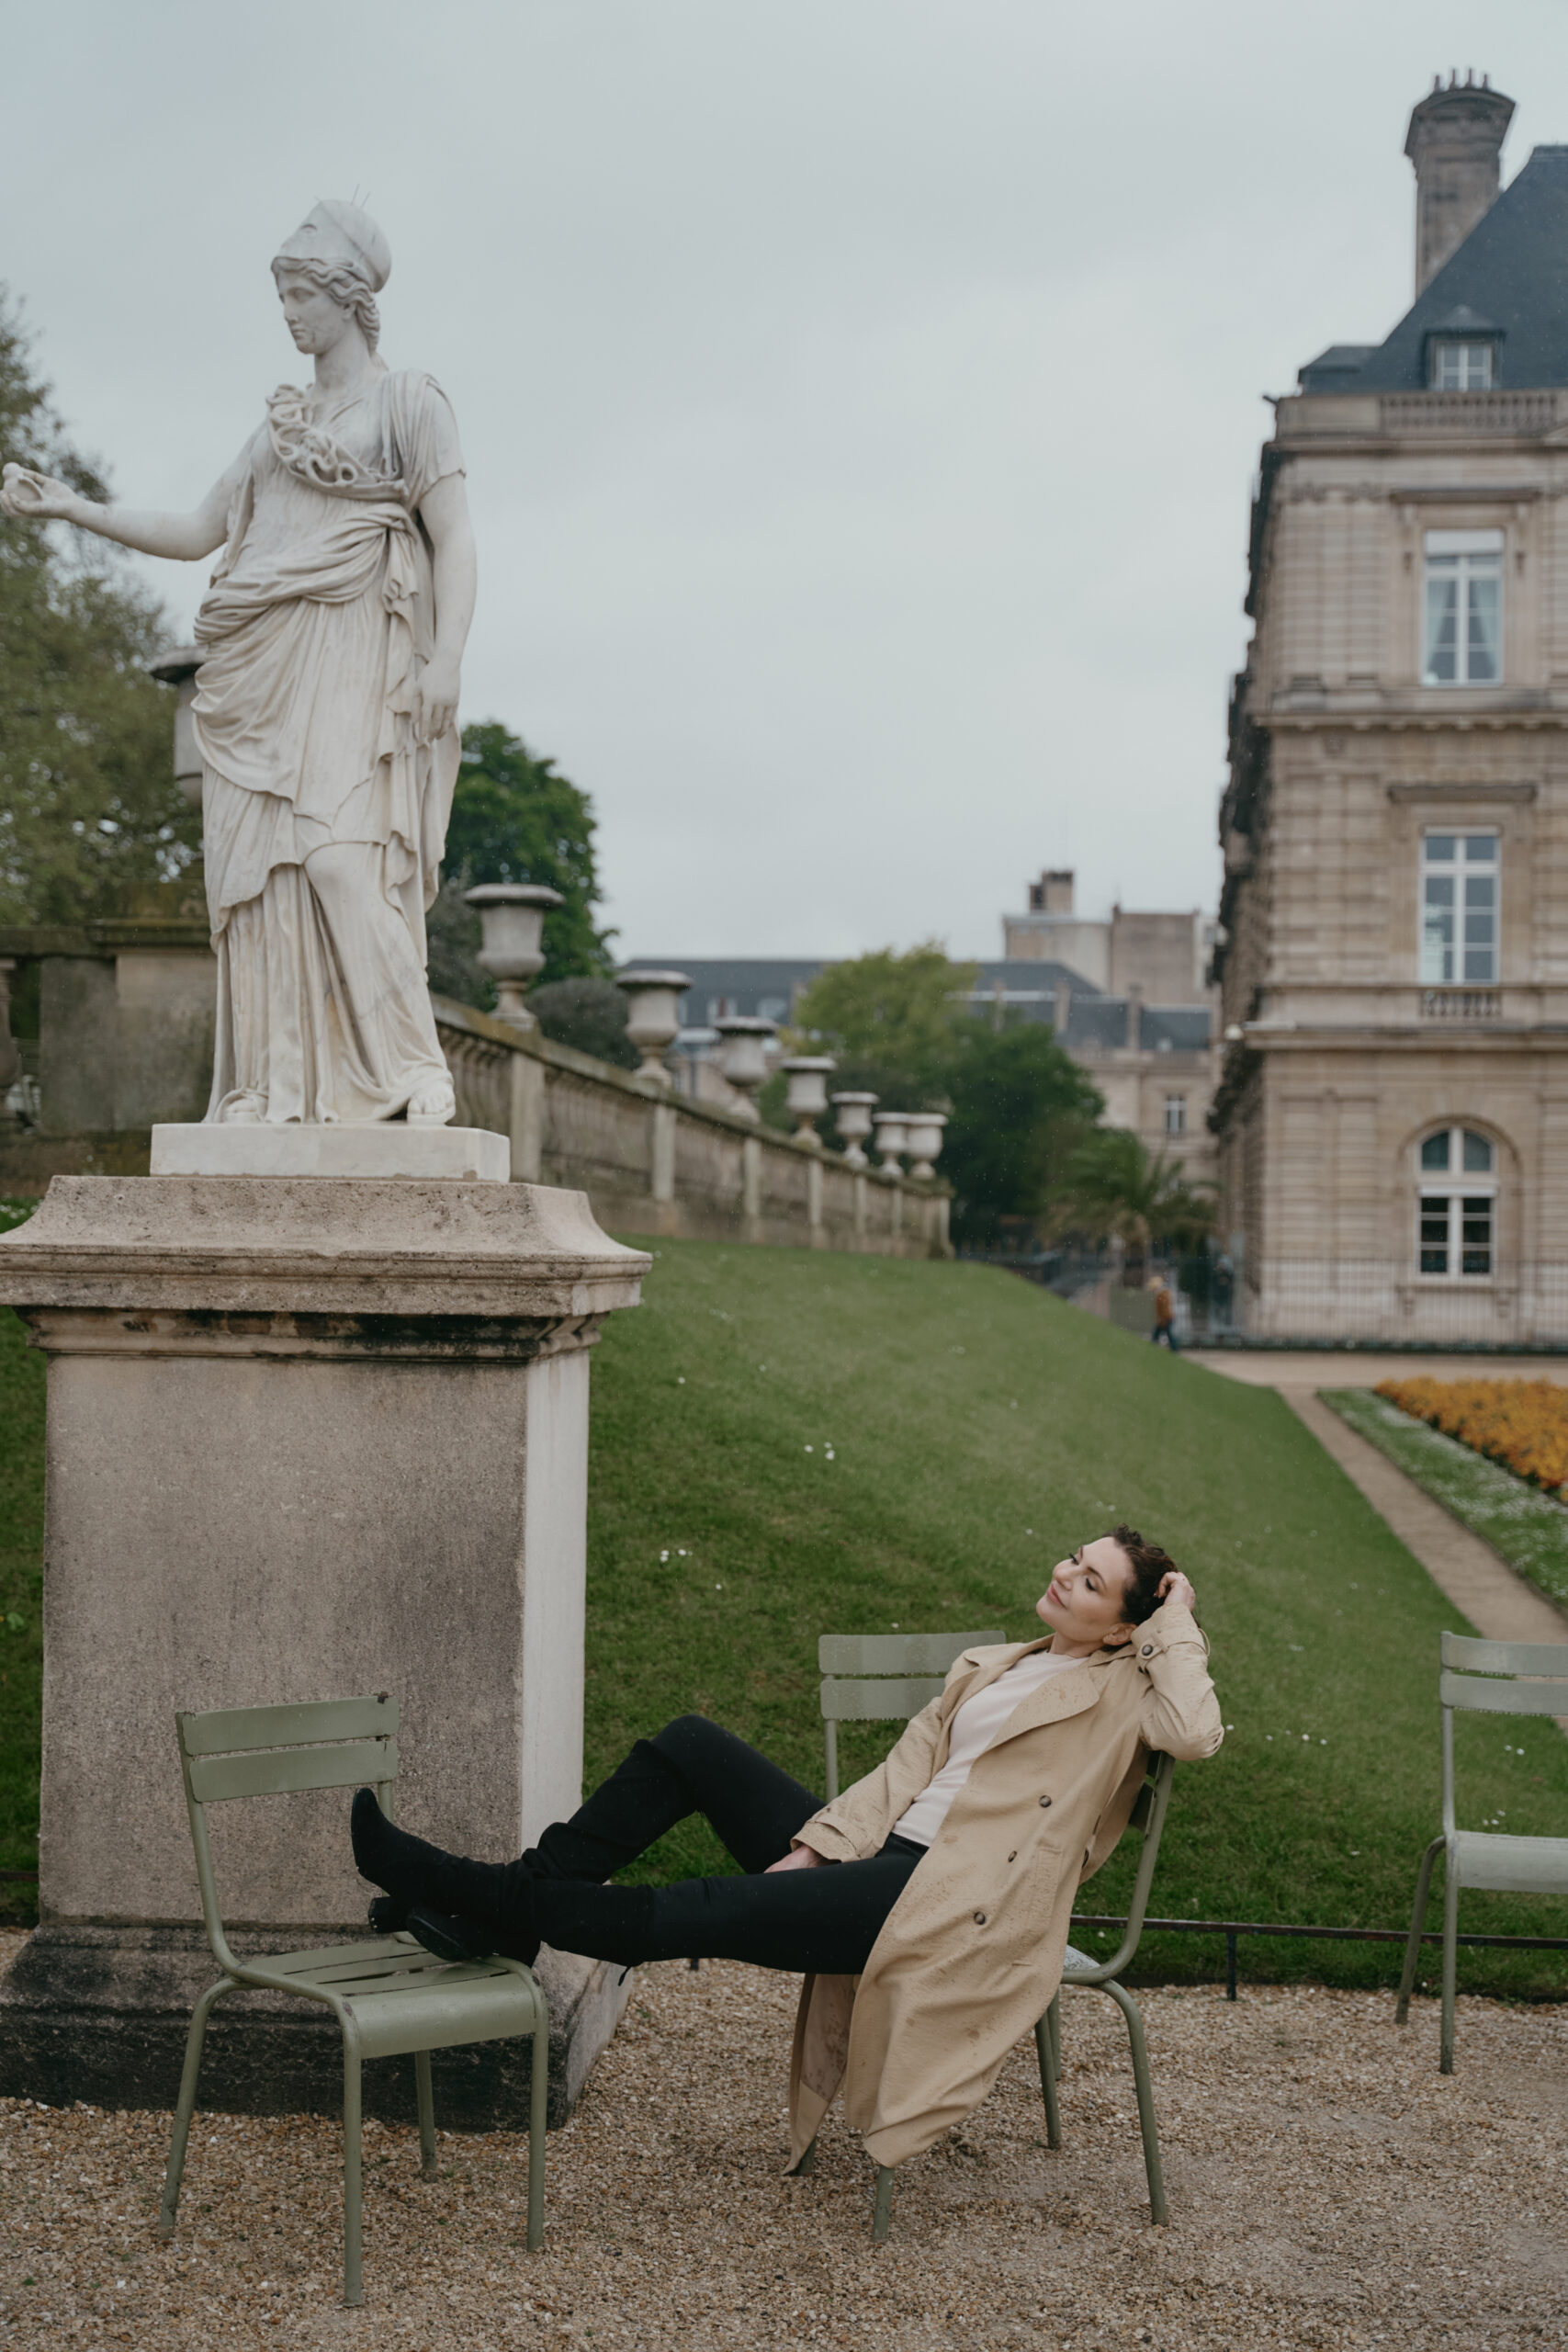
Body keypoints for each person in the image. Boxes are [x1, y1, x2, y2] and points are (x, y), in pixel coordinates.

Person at [351, 1524, 1222, 2172]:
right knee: (691, 1744)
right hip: (877, 1854)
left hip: (945, 1899)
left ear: (1122, 1629)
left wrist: (1174, 1617)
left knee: (686, 1911)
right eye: (1074, 1559)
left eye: (1093, 1581)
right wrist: (814, 1846)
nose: (1066, 1575)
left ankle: (457, 1886)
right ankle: (510, 1912)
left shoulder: (1130, 1695)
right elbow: (896, 1776)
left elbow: (1196, 1730)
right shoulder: (995, 1664)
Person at [0, 199, 474, 1128]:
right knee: (262, 881)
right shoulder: (277, 431)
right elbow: (197, 531)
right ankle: (279, 1085)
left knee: (341, 860)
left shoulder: (411, 401)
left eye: (303, 294)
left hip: (354, 650)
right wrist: (71, 506)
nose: (290, 314)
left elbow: (455, 537)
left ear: (348, 299)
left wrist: (447, 658)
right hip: (263, 666)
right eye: (283, 296)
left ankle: (415, 1069)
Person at [1150, 1275, 1179, 1350]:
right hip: (1166, 1318)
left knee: (1166, 1335)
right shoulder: (1163, 1294)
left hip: (1166, 1318)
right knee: (1167, 1334)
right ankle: (1174, 1349)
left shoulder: (1162, 1295)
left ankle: (1174, 1349)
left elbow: (1164, 1309)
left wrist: (1163, 1319)